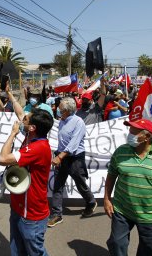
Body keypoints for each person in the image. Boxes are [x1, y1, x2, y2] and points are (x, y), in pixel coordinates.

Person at [104, 119, 152, 256]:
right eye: (130, 130)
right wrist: (106, 199)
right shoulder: (121, 152)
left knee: (147, 250)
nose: (129, 134)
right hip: (122, 210)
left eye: (134, 132)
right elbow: (111, 175)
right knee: (116, 243)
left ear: (147, 137)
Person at [0, 108, 54, 256]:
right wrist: (8, 94)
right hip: (18, 207)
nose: (22, 120)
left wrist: (13, 134)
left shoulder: (38, 148)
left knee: (35, 252)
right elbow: (19, 112)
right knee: (17, 249)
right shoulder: (32, 135)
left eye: (26, 120)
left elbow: (2, 159)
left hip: (31, 214)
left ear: (32, 127)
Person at [47, 97, 97, 227]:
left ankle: (91, 201)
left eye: (61, 109)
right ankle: (57, 214)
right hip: (61, 157)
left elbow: (73, 144)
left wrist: (60, 156)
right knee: (58, 186)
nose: (58, 110)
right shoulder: (61, 121)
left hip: (75, 159)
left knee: (80, 183)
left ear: (67, 111)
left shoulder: (78, 122)